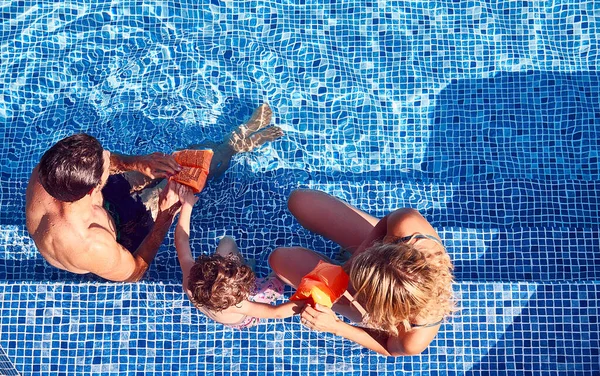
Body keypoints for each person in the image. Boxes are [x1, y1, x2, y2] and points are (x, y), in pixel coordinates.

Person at [25, 103, 283, 282]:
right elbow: (135, 272)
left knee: (182, 163)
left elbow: (105, 161)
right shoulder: (92, 246)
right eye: (106, 165)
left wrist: (137, 163)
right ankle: (233, 147)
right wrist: (165, 216)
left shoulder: (51, 171)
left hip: (95, 206)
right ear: (95, 185)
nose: (109, 159)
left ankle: (232, 142)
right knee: (184, 182)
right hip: (121, 234)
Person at [268, 189, 455, 356]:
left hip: (370, 306)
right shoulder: (408, 226)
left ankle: (352, 284)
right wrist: (349, 266)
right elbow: (386, 223)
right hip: (381, 260)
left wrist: (336, 327)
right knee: (300, 200)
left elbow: (389, 347)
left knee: (279, 260)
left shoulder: (414, 338)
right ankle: (351, 262)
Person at [174, 183, 304, 328]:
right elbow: (277, 313)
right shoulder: (240, 304)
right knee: (281, 272)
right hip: (246, 318)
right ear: (241, 292)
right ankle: (258, 272)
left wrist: (187, 205)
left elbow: (181, 239)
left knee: (227, 242)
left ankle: (248, 266)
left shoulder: (190, 280)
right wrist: (307, 302)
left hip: (217, 308)